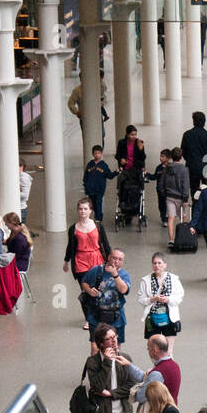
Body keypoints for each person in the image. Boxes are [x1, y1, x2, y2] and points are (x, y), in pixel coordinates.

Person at [63, 196, 111, 330]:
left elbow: (106, 245)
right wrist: (66, 261)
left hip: (96, 259)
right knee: (86, 291)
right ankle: (89, 319)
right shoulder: (73, 228)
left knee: (99, 289)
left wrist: (111, 262)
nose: (82, 211)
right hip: (81, 261)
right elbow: (70, 246)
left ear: (90, 210)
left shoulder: (98, 226)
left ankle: (100, 315)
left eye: (85, 209)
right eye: (80, 209)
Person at [80, 247, 132, 349]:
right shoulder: (96, 270)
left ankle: (113, 365)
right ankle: (96, 365)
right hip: (96, 316)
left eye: (120, 259)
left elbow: (123, 290)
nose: (116, 261)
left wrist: (115, 275)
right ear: (109, 257)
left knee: (115, 347)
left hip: (116, 317)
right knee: (95, 347)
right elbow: (84, 282)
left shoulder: (124, 275)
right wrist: (90, 291)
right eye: (114, 258)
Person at [139, 251, 184, 349]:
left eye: (159, 263)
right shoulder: (145, 280)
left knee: (168, 349)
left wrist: (168, 299)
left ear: (165, 265)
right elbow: (141, 300)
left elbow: (179, 297)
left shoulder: (174, 279)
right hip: (152, 318)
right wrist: (153, 299)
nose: (157, 265)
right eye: (154, 263)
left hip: (169, 317)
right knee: (154, 349)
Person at [180, 113, 207, 199]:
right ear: (204, 122)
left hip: (192, 167)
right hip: (206, 168)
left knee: (194, 190)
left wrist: (190, 160)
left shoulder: (187, 135)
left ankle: (196, 207)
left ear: (193, 121)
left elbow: (183, 152)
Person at [160, 148, 191, 250]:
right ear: (181, 157)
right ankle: (182, 238)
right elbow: (185, 185)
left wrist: (165, 193)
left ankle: (171, 240)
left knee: (171, 218)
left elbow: (161, 184)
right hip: (181, 198)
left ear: (171, 157)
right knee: (183, 218)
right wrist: (186, 199)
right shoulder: (184, 169)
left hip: (169, 197)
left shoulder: (166, 169)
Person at [139, 333, 181, 405]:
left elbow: (141, 396)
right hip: (173, 408)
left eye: (148, 348)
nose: (148, 351)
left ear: (155, 351)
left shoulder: (157, 372)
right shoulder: (175, 365)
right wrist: (129, 365)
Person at [81, 145, 118, 223]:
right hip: (90, 189)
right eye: (95, 153)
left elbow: (109, 175)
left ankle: (98, 219)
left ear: (101, 154)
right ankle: (91, 217)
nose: (97, 155)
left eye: (98, 153)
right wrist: (86, 185)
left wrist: (116, 172)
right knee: (92, 204)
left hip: (99, 190)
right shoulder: (90, 164)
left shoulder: (103, 165)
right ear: (92, 154)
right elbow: (86, 176)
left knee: (98, 203)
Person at [18, 159, 33, 224]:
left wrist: (11, 192)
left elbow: (25, 195)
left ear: (21, 167)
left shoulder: (24, 178)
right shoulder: (18, 177)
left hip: (21, 208)